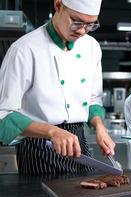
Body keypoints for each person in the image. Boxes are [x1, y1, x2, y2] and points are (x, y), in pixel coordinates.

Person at [0, 0, 115, 174]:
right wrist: (52, 132)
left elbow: (92, 99)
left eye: (90, 24)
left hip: (79, 142)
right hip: (40, 145)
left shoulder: (91, 47)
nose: (82, 31)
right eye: (76, 21)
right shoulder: (24, 49)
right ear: (58, 5)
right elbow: (3, 115)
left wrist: (100, 127)